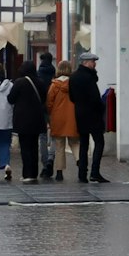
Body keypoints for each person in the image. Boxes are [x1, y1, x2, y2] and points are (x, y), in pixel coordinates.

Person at [71, 51, 107, 183]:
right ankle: (95, 172)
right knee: (99, 142)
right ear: (86, 63)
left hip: (80, 114)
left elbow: (71, 97)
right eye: (93, 61)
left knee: (83, 144)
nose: (95, 64)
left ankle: (82, 174)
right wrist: (101, 108)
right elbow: (95, 98)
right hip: (93, 115)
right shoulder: (89, 78)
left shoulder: (74, 77)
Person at [8, 66, 47, 185]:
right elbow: (44, 98)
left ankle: (27, 174)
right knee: (34, 146)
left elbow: (11, 99)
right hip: (37, 118)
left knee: (25, 147)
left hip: (22, 119)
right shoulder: (40, 82)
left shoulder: (19, 82)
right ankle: (34, 173)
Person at [45, 60, 77, 180]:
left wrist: (50, 114)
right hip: (72, 117)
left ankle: (59, 172)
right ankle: (79, 161)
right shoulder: (74, 84)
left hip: (57, 117)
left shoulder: (54, 85)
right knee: (75, 143)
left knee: (59, 146)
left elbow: (49, 103)